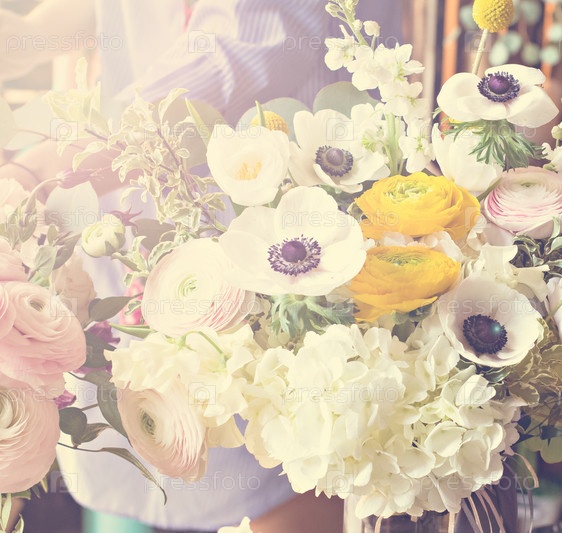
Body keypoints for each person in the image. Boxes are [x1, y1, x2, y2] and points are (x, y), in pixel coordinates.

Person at [0, 1, 404, 532]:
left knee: (276, 450)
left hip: (280, 265)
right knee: (135, 454)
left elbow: (234, 54)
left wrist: (40, 171)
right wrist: (27, 35)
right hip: (131, 258)